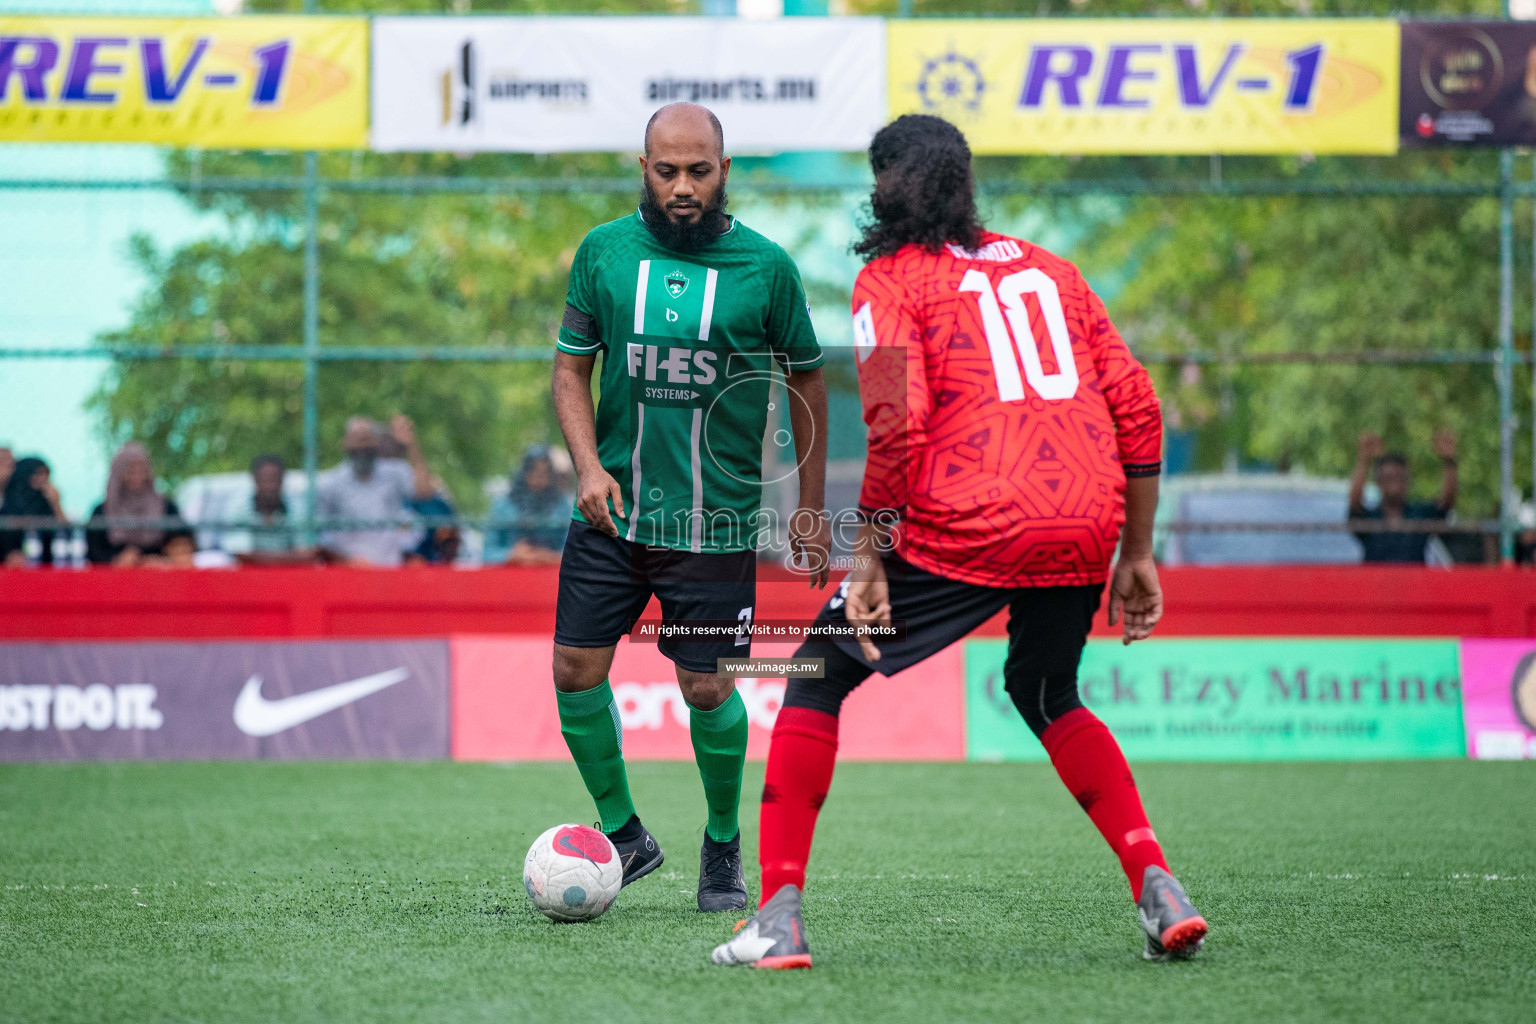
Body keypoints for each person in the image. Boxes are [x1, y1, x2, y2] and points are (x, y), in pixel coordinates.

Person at [712, 115, 1206, 970]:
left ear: (883, 185)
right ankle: (1158, 883)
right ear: (966, 182)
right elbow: (1140, 406)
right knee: (1049, 691)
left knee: (817, 675)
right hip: (1084, 518)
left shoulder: (890, 280)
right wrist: (1136, 551)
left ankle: (776, 917)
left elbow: (898, 428)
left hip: (969, 519)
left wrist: (867, 558)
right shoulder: (1053, 270)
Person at [550, 102, 830, 913]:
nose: (682, 187)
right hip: (612, 514)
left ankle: (720, 845)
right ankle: (626, 836)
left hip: (715, 523)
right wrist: (588, 466)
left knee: (706, 689)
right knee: (574, 671)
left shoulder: (767, 268)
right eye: (666, 170)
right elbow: (571, 370)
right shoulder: (602, 253)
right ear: (643, 167)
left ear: (724, 171)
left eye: (698, 171)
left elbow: (806, 375)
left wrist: (809, 510)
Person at [315, 415, 433, 567]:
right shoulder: (331, 484)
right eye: (357, 438)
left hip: (388, 571)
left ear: (377, 442)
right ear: (345, 443)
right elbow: (321, 535)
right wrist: (346, 561)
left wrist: (411, 445)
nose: (363, 446)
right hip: (347, 574)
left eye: (367, 438)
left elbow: (425, 492)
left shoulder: (395, 473)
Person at [1348, 430, 1458, 564]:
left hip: (1415, 583)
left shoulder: (1420, 514)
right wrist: (1363, 460)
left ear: (1407, 481)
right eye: (1388, 477)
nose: (1394, 483)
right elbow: (1354, 503)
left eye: (1400, 478)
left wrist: (1449, 461)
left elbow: (1447, 502)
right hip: (1375, 583)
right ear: (1378, 481)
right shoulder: (1369, 518)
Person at [85, 442, 195, 566]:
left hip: (160, 578)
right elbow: (94, 553)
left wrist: (163, 560)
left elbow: (184, 542)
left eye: (141, 469)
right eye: (130, 470)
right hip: (116, 580)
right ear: (118, 473)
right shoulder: (101, 512)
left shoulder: (166, 507)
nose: (137, 476)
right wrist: (116, 561)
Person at [483, 446, 574, 565]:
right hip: (509, 574)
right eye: (533, 471)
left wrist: (550, 556)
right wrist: (511, 555)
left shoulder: (562, 506)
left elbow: (572, 552)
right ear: (524, 472)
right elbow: (487, 553)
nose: (539, 479)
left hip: (550, 575)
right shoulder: (502, 505)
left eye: (545, 473)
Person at [0, 456, 67, 567]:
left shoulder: (47, 505)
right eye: (38, 474)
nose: (43, 479)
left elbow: (65, 532)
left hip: (46, 568)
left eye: (46, 475)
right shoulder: (9, 506)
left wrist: (56, 503)